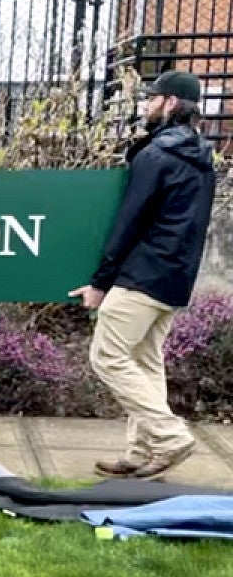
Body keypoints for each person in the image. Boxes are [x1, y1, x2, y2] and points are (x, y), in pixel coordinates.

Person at [69, 70, 216, 480]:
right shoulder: (202, 157)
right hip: (175, 277)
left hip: (143, 274)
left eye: (152, 99)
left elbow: (129, 222)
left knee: (107, 357)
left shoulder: (157, 155)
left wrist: (101, 282)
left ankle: (169, 437)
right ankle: (140, 452)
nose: (147, 106)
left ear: (170, 104)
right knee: (145, 362)